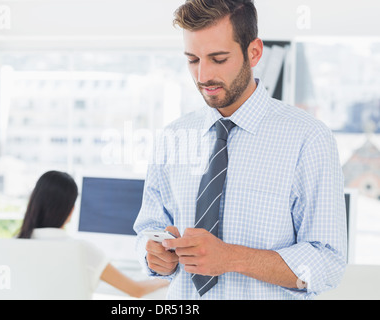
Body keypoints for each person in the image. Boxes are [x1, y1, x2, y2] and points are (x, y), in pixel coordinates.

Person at [133, 0, 346, 299]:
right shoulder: (172, 137)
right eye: (193, 60)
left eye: (218, 59)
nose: (203, 75)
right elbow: (149, 228)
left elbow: (328, 263)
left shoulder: (308, 138)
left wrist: (232, 258)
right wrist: (152, 255)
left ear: (254, 52)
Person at [17, 170, 168, 298]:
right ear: (71, 210)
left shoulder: (16, 245)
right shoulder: (81, 250)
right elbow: (137, 290)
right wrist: (167, 279)